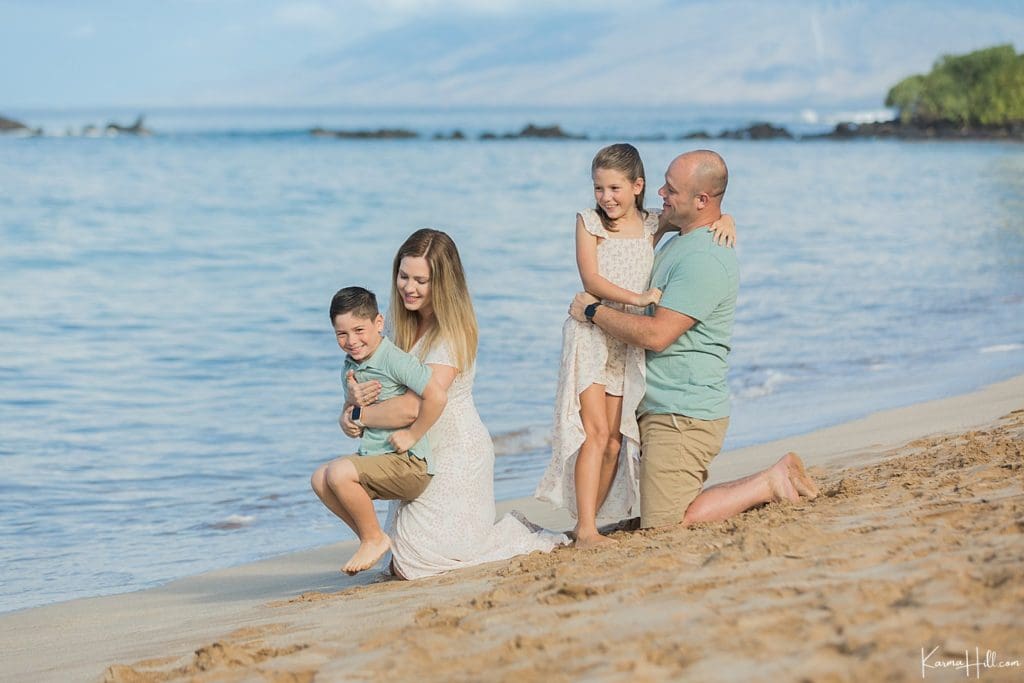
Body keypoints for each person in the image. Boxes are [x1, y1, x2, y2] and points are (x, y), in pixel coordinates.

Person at [569, 150, 819, 530]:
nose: (661, 193)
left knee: (665, 525)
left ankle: (769, 480)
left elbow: (656, 335)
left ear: (701, 200)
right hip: (660, 405)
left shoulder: (704, 257)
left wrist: (592, 312)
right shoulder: (682, 235)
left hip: (680, 414)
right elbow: (636, 227)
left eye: (671, 189)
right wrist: (727, 216)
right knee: (652, 508)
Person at [535, 144, 735, 547]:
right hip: (593, 336)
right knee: (595, 433)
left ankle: (586, 522)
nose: (605, 197)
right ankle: (587, 526)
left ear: (636, 186)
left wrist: (728, 217)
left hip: (627, 343)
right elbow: (591, 281)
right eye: (598, 188)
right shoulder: (590, 223)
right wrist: (638, 300)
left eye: (614, 188)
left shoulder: (653, 227)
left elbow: (698, 212)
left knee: (613, 438)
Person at [343, 229, 566, 579]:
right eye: (403, 276)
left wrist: (360, 414)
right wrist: (350, 409)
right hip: (416, 450)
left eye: (421, 280)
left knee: (418, 565)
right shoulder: (399, 324)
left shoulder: (449, 334)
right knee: (402, 562)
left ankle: (518, 534)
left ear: (443, 283)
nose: (409, 288)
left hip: (455, 453)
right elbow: (369, 383)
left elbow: (413, 408)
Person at [310, 287, 449, 575]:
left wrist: (413, 434)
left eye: (359, 329)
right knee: (319, 480)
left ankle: (374, 538)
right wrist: (348, 419)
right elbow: (353, 416)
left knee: (338, 472)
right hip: (375, 457)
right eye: (341, 334)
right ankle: (369, 537)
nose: (351, 341)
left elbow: (436, 396)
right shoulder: (349, 367)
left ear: (379, 323)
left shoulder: (392, 359)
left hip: (409, 463)